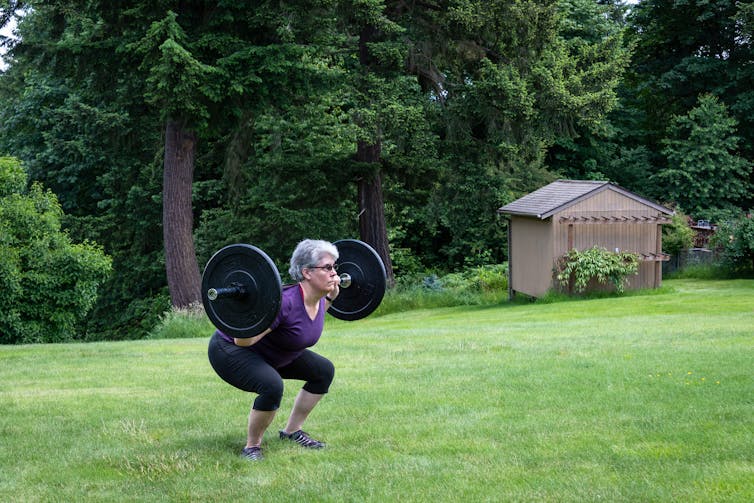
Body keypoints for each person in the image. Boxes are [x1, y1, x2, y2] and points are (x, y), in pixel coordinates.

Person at [207, 239, 340, 461]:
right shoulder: (284, 303)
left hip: (274, 352)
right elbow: (244, 342)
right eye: (328, 267)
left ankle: (291, 432)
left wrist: (329, 298)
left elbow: (306, 322)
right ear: (306, 272)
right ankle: (252, 447)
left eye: (335, 267)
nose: (334, 273)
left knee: (323, 371)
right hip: (231, 349)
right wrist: (240, 313)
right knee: (271, 385)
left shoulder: (318, 300)